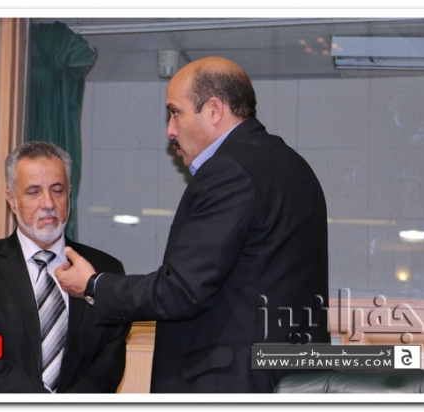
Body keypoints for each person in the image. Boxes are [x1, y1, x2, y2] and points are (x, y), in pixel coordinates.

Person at [55, 56, 330, 393]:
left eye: (175, 112)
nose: (170, 130)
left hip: (230, 385)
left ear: (213, 110)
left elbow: (182, 291)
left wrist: (94, 285)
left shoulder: (228, 171)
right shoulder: (296, 168)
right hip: (290, 379)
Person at [0, 141, 130, 393]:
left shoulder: (105, 270)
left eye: (57, 190)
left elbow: (108, 363)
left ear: (69, 194)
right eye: (33, 192)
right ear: (12, 200)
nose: (48, 203)